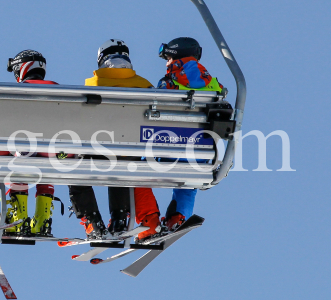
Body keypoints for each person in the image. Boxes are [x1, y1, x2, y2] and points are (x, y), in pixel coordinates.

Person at [69, 40, 162, 240]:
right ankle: (120, 218)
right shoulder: (145, 85)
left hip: (100, 151)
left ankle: (92, 223)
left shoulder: (93, 84)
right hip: (133, 153)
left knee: (73, 169)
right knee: (122, 164)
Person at [156, 36, 225, 231]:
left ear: (176, 55)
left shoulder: (170, 81)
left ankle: (145, 220)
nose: (167, 64)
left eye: (168, 58)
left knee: (134, 164)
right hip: (203, 151)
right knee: (188, 181)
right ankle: (178, 217)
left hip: (172, 146)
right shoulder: (212, 83)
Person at [3, 50, 58, 237]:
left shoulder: (19, 90)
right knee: (48, 166)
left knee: (18, 159)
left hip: (27, 149)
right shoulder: (58, 88)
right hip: (55, 151)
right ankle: (42, 221)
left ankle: (18, 220)